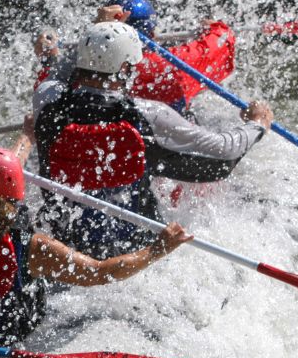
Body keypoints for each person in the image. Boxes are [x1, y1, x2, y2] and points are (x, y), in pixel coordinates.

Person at [0, 148, 193, 358]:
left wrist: (25, 139)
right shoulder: (31, 247)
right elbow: (100, 272)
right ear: (17, 187)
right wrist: (157, 250)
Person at [33, 21, 274, 257]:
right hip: (132, 249)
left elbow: (57, 72)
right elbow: (226, 149)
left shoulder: (46, 99)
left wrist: (57, 52)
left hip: (61, 244)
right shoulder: (148, 114)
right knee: (215, 166)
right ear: (125, 69)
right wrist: (257, 124)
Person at [36, 0, 238, 119]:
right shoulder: (172, 67)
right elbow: (222, 44)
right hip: (167, 155)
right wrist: (214, 27)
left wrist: (50, 59)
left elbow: (47, 93)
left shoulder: (87, 67)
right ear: (151, 33)